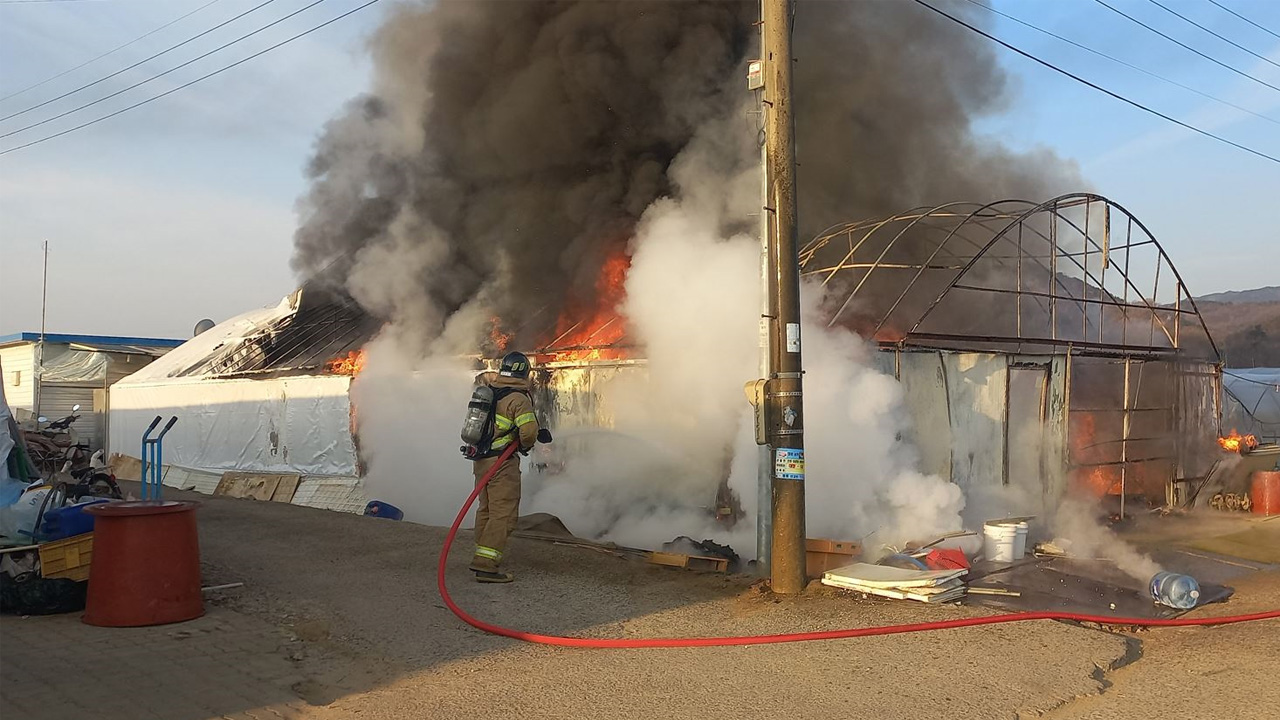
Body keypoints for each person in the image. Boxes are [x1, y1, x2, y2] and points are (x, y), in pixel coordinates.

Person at [469, 351, 540, 583]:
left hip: (481, 461)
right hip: (502, 463)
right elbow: (528, 431)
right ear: (524, 372)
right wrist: (526, 446)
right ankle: (486, 565)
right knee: (504, 513)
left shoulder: (492, 391)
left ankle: (483, 553)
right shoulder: (518, 398)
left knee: (486, 508)